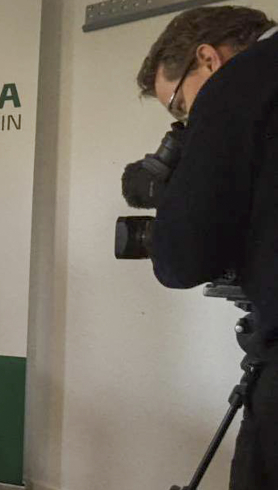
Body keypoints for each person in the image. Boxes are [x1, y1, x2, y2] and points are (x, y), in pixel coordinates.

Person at [136, 6, 278, 489]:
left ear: (208, 60)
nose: (185, 124)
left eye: (179, 106)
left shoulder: (238, 83)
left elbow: (181, 261)